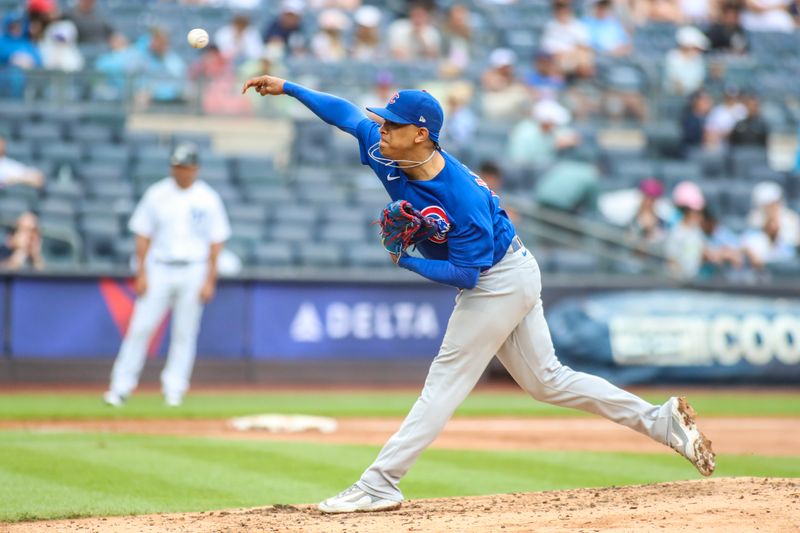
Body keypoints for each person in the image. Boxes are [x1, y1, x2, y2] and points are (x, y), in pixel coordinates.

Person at [242, 73, 716, 513]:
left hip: (500, 276)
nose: (381, 127)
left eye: (393, 123)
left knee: (446, 379)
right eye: (384, 120)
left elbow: (468, 276)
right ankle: (661, 421)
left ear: (422, 134)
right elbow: (344, 113)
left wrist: (404, 259)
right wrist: (288, 87)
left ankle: (379, 482)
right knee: (547, 381)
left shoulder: (460, 197)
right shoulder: (384, 148)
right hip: (510, 272)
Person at [103, 143, 231, 408]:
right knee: (140, 328)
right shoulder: (157, 194)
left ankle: (174, 389)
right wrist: (141, 272)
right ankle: (120, 387)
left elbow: (216, 242)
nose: (180, 172)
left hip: (194, 268)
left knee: (185, 333)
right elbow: (142, 234)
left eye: (185, 167)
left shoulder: (208, 198)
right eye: (176, 167)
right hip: (159, 266)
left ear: (195, 168)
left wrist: (209, 279)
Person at [663, 26, 708, 96]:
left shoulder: (698, 59)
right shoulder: (673, 57)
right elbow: (675, 83)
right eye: (694, 48)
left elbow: (699, 82)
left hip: (694, 97)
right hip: (674, 96)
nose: (696, 51)